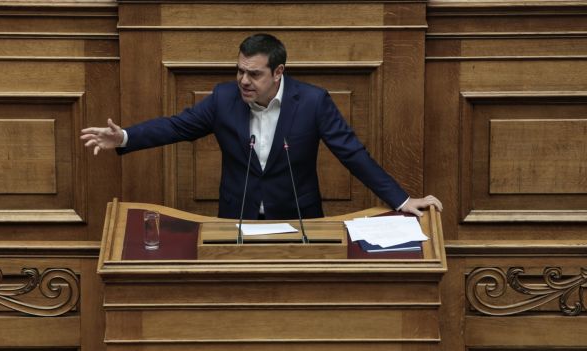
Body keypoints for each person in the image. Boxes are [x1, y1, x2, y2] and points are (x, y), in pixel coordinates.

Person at [81, 33, 442, 219]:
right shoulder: (223, 99)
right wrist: (124, 136)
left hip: (299, 220)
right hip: (236, 219)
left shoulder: (313, 101)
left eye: (254, 74)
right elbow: (176, 127)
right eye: (240, 71)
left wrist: (402, 200)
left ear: (278, 72)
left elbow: (352, 153)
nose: (244, 80)